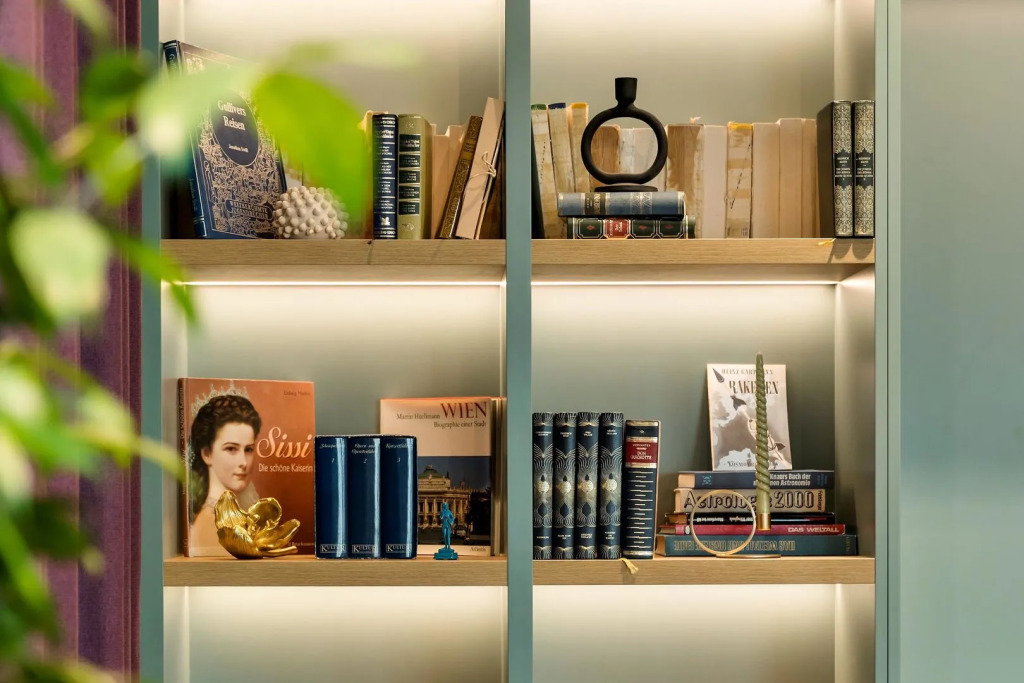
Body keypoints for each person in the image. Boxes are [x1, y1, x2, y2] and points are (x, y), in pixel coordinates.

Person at [188, 394, 262, 555]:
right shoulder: (210, 525)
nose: (243, 462)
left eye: (248, 449)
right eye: (231, 449)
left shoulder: (240, 514)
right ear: (207, 454)